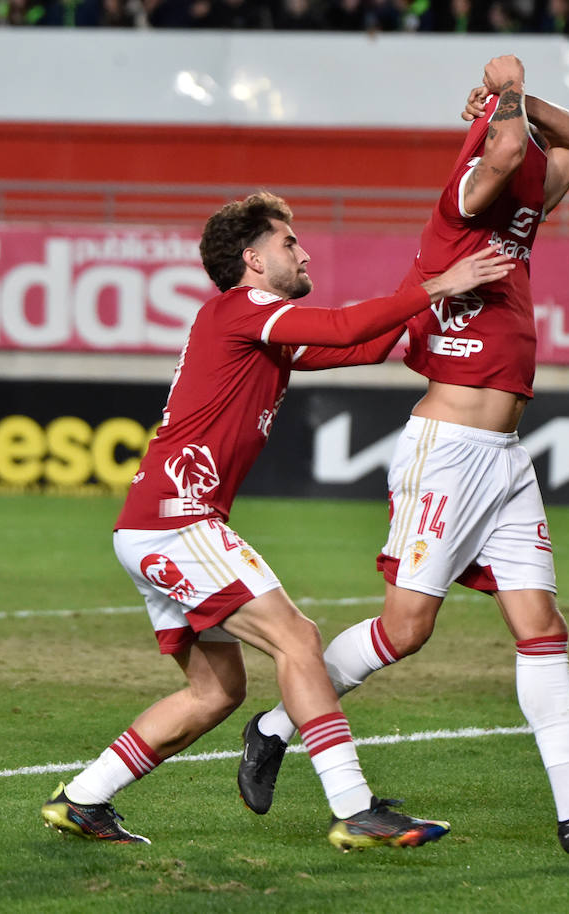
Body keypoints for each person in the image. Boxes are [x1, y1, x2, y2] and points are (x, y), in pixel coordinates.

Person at [238, 56, 569, 858]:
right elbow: (504, 153)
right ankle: (272, 727)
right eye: (507, 139)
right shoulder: (460, 206)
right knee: (407, 629)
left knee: (542, 626)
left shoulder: (513, 222)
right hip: (449, 450)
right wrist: (505, 82)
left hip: (505, 454)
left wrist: (522, 98)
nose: (521, 160)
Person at [40, 191, 514, 848]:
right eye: (289, 242)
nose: (304, 250)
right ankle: (352, 807)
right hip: (176, 522)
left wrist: (432, 270)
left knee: (215, 692)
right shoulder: (245, 308)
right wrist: (442, 282)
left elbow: (365, 346)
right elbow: (348, 328)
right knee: (297, 638)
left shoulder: (261, 326)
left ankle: (83, 799)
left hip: (155, 525)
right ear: (253, 258)